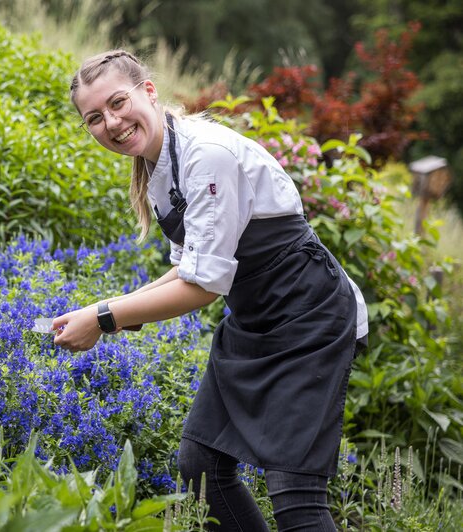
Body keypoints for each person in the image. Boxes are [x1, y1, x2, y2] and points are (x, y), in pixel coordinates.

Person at [52, 50, 369, 531]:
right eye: (95, 118)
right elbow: (190, 267)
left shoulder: (206, 155)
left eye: (118, 103)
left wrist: (104, 317)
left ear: (149, 91)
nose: (112, 122)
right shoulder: (160, 164)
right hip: (255, 319)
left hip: (309, 317)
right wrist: (112, 311)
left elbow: (201, 287)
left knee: (294, 489)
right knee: (202, 464)